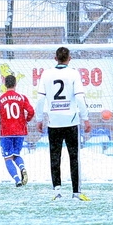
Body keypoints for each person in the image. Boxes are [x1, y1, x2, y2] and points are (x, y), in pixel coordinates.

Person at [35, 47, 92, 201]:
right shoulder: (73, 73)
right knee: (74, 157)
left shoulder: (46, 74)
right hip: (71, 122)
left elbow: (40, 99)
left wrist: (39, 119)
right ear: (69, 58)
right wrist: (85, 118)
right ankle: (76, 193)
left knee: (55, 157)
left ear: (55, 58)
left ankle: (57, 193)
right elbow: (80, 98)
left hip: (54, 122)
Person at [0, 75, 35, 187]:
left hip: (6, 133)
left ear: (5, 85)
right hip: (20, 132)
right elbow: (31, 111)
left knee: (8, 158)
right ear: (15, 84)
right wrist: (26, 121)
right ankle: (22, 168)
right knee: (16, 155)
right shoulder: (22, 98)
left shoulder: (0, 100)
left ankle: (17, 180)